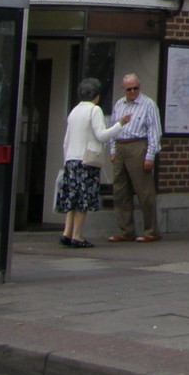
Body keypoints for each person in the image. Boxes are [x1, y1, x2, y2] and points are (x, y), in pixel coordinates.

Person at [56, 78, 127, 248]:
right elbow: (102, 135)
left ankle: (66, 232)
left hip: (71, 159)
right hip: (86, 160)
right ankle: (77, 236)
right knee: (83, 200)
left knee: (71, 198)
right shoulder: (94, 110)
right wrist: (120, 124)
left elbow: (66, 140)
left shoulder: (74, 111)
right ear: (96, 96)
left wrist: (67, 158)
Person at [107, 73, 162, 242]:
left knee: (144, 191)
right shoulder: (119, 104)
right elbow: (113, 127)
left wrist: (150, 156)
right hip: (120, 146)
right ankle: (126, 231)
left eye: (135, 88)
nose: (132, 92)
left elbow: (154, 131)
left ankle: (151, 231)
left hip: (138, 145)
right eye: (128, 89)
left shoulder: (148, 105)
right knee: (120, 191)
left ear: (140, 87)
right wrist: (112, 150)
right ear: (123, 89)